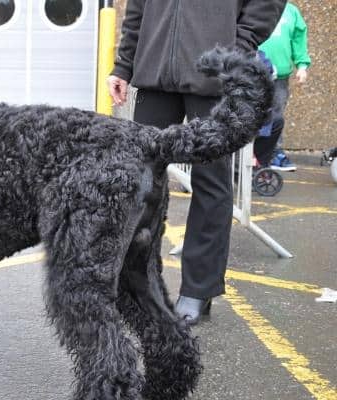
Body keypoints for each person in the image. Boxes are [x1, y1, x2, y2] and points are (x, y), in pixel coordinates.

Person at [108, 0, 286, 325]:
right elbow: (137, 6)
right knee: (139, 184)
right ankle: (134, 286)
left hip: (214, 76)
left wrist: (237, 47)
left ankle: (198, 290)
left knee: (211, 183)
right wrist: (124, 64)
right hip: (154, 71)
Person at [259, 1, 312, 172]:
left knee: (276, 117)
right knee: (251, 116)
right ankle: (246, 157)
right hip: (253, 75)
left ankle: (273, 154)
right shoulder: (251, 5)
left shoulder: (291, 11)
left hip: (280, 77)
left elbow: (298, 39)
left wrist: (302, 65)